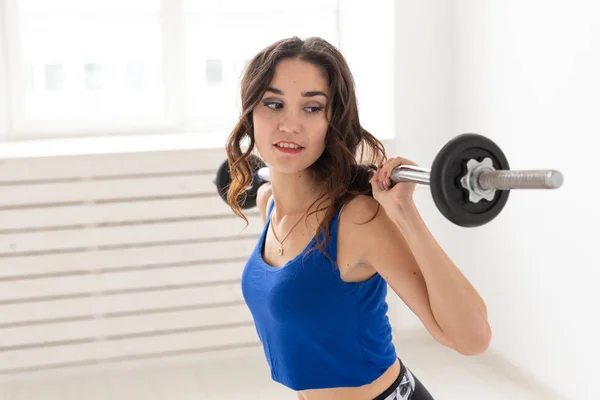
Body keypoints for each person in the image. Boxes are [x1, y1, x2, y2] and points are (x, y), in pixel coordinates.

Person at [225, 36, 491, 400]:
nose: (290, 125)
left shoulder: (357, 219)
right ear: (250, 114)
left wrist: (403, 212)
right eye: (274, 104)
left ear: (333, 122)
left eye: (312, 108)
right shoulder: (268, 202)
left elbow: (471, 338)